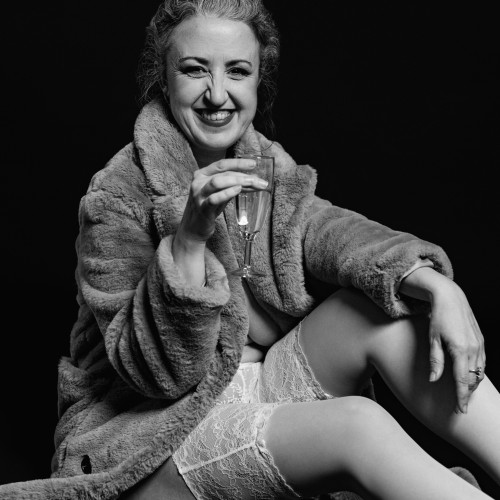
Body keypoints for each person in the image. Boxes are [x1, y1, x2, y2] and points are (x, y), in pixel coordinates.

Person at [2, 1, 499, 499]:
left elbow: (331, 230)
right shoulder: (118, 194)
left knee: (389, 312)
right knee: (358, 424)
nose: (217, 94)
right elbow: (156, 374)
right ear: (164, 79)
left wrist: (438, 287)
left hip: (263, 390)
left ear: (258, 80)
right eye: (195, 70)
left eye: (237, 71)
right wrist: (189, 238)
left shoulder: (262, 163)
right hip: (157, 436)